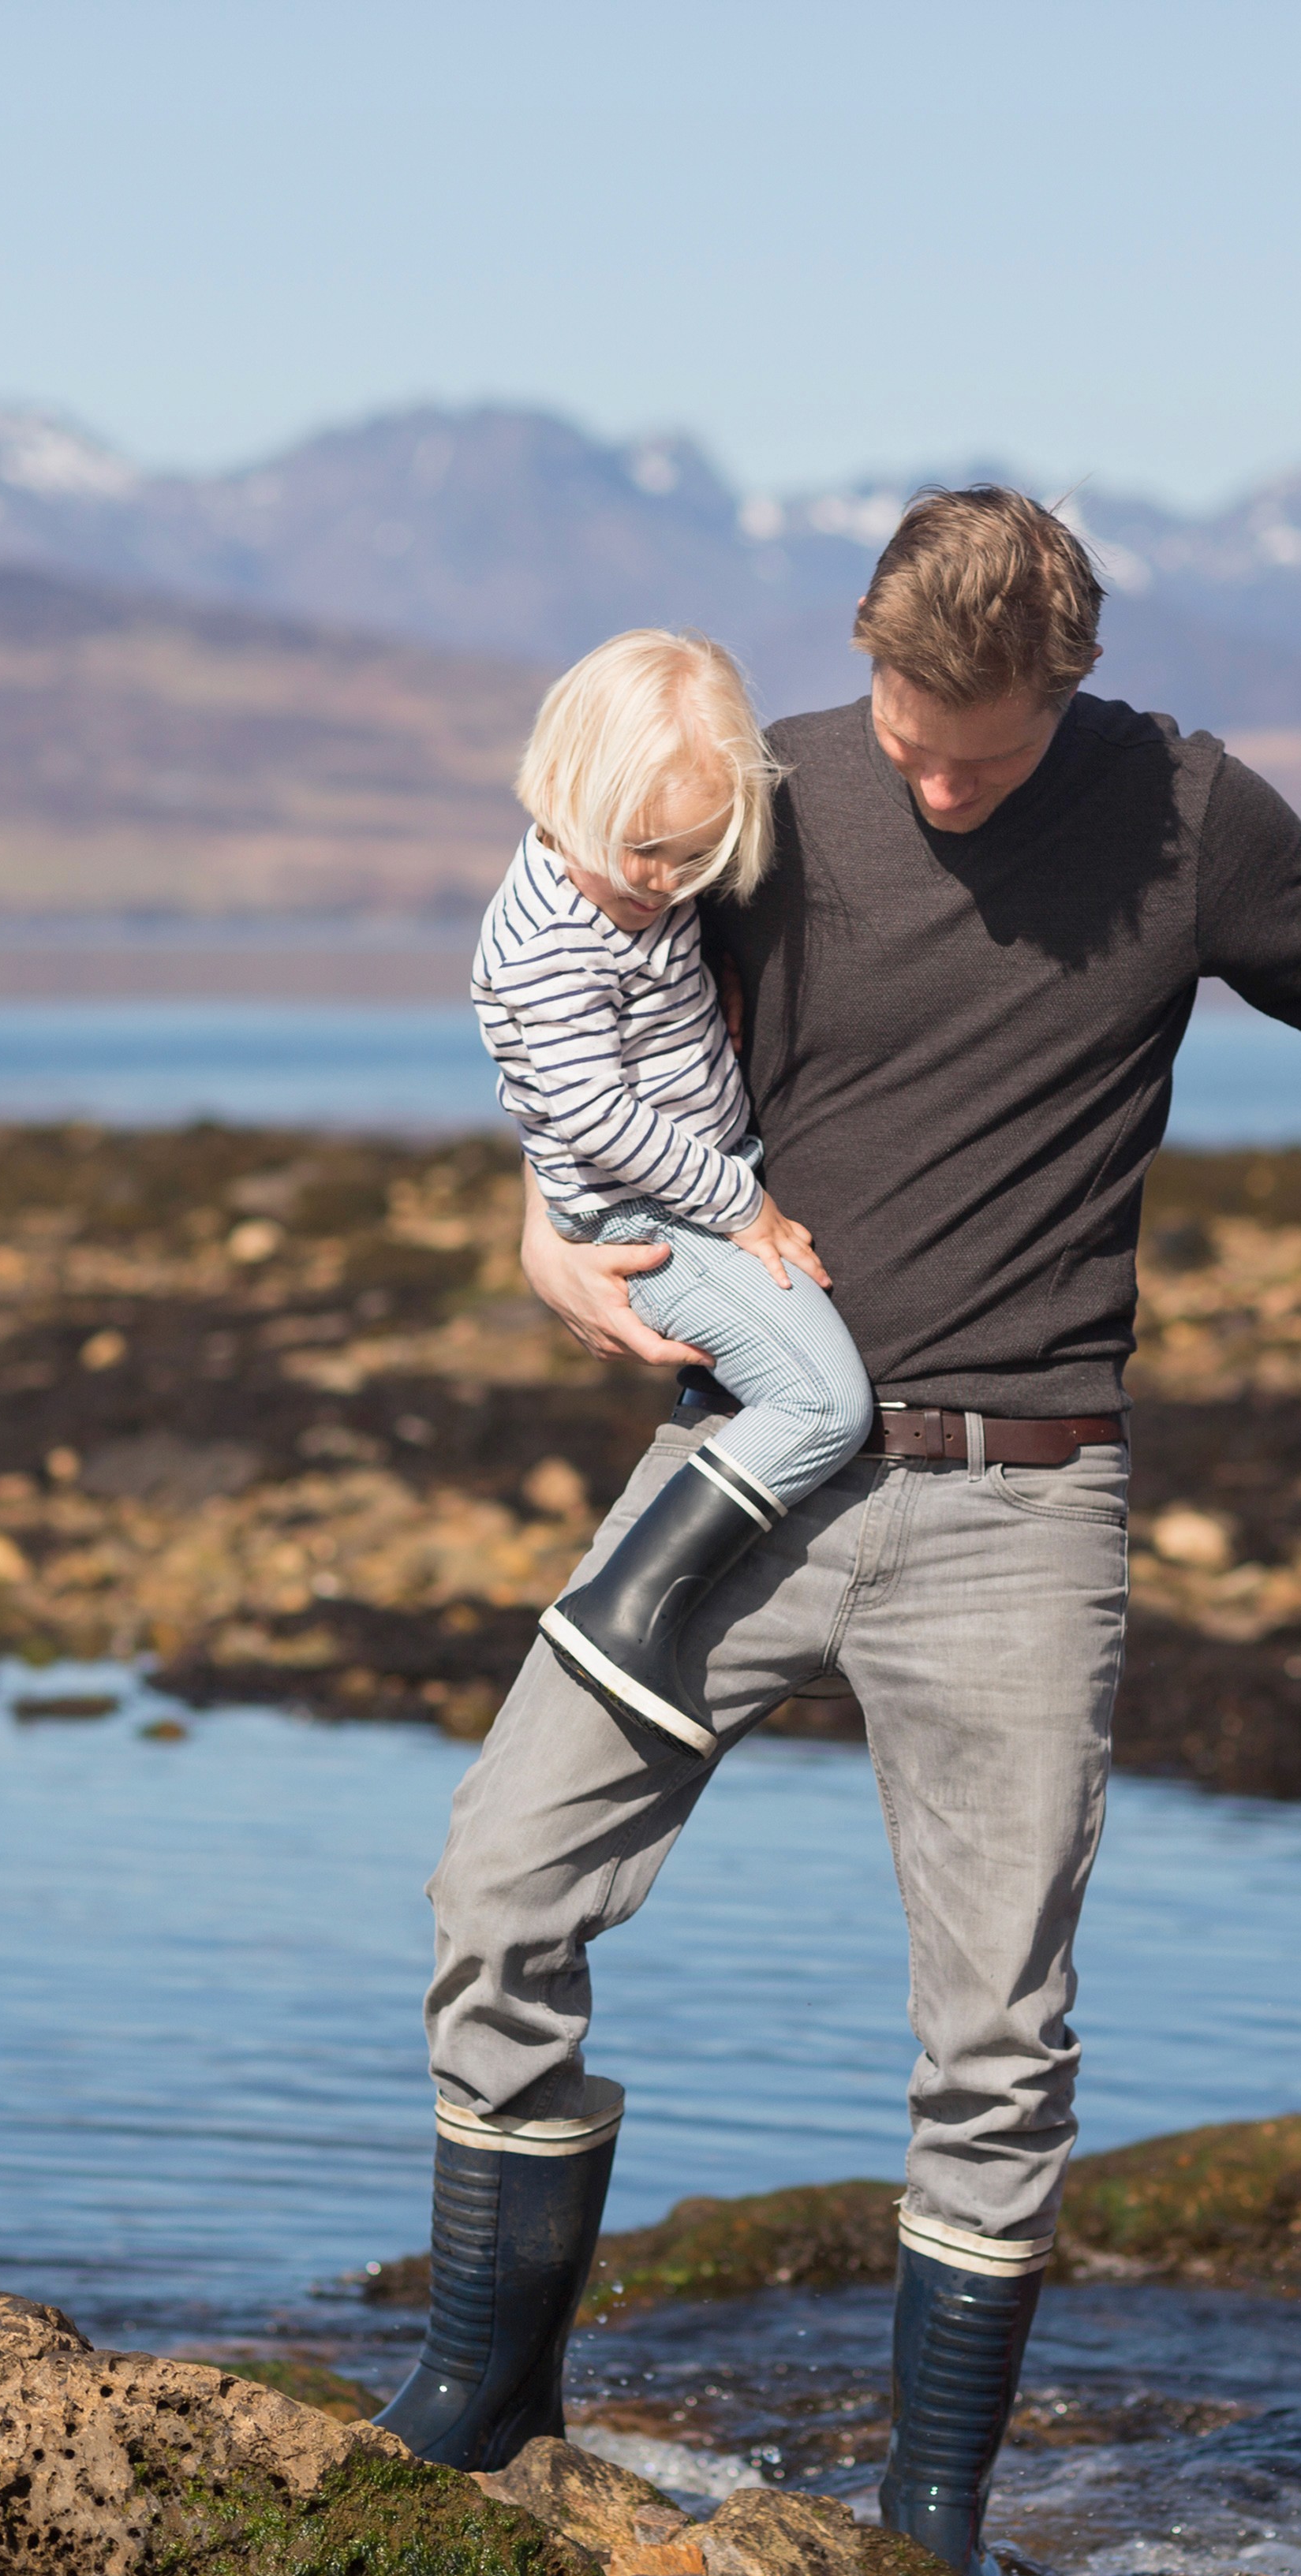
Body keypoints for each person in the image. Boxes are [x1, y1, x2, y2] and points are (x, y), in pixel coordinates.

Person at [374, 488, 1301, 2576]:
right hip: (744, 1458)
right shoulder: (765, 789)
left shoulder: (1188, 820)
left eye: (978, 747)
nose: (933, 778)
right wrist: (544, 1240)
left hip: (1020, 1506)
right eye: (903, 729)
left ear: (1065, 686)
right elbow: (580, 1026)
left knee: (995, 2042)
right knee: (496, 1886)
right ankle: (480, 2390)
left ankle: (929, 2529)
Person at [470, 630, 872, 1757]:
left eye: (696, 861)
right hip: (648, 1219)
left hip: (680, 1194)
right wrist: (741, 1206)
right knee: (823, 1404)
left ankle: (634, 1602)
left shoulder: (627, 890)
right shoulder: (546, 941)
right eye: (647, 853)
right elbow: (595, 1119)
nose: (668, 884)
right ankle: (627, 1607)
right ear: (567, 791)